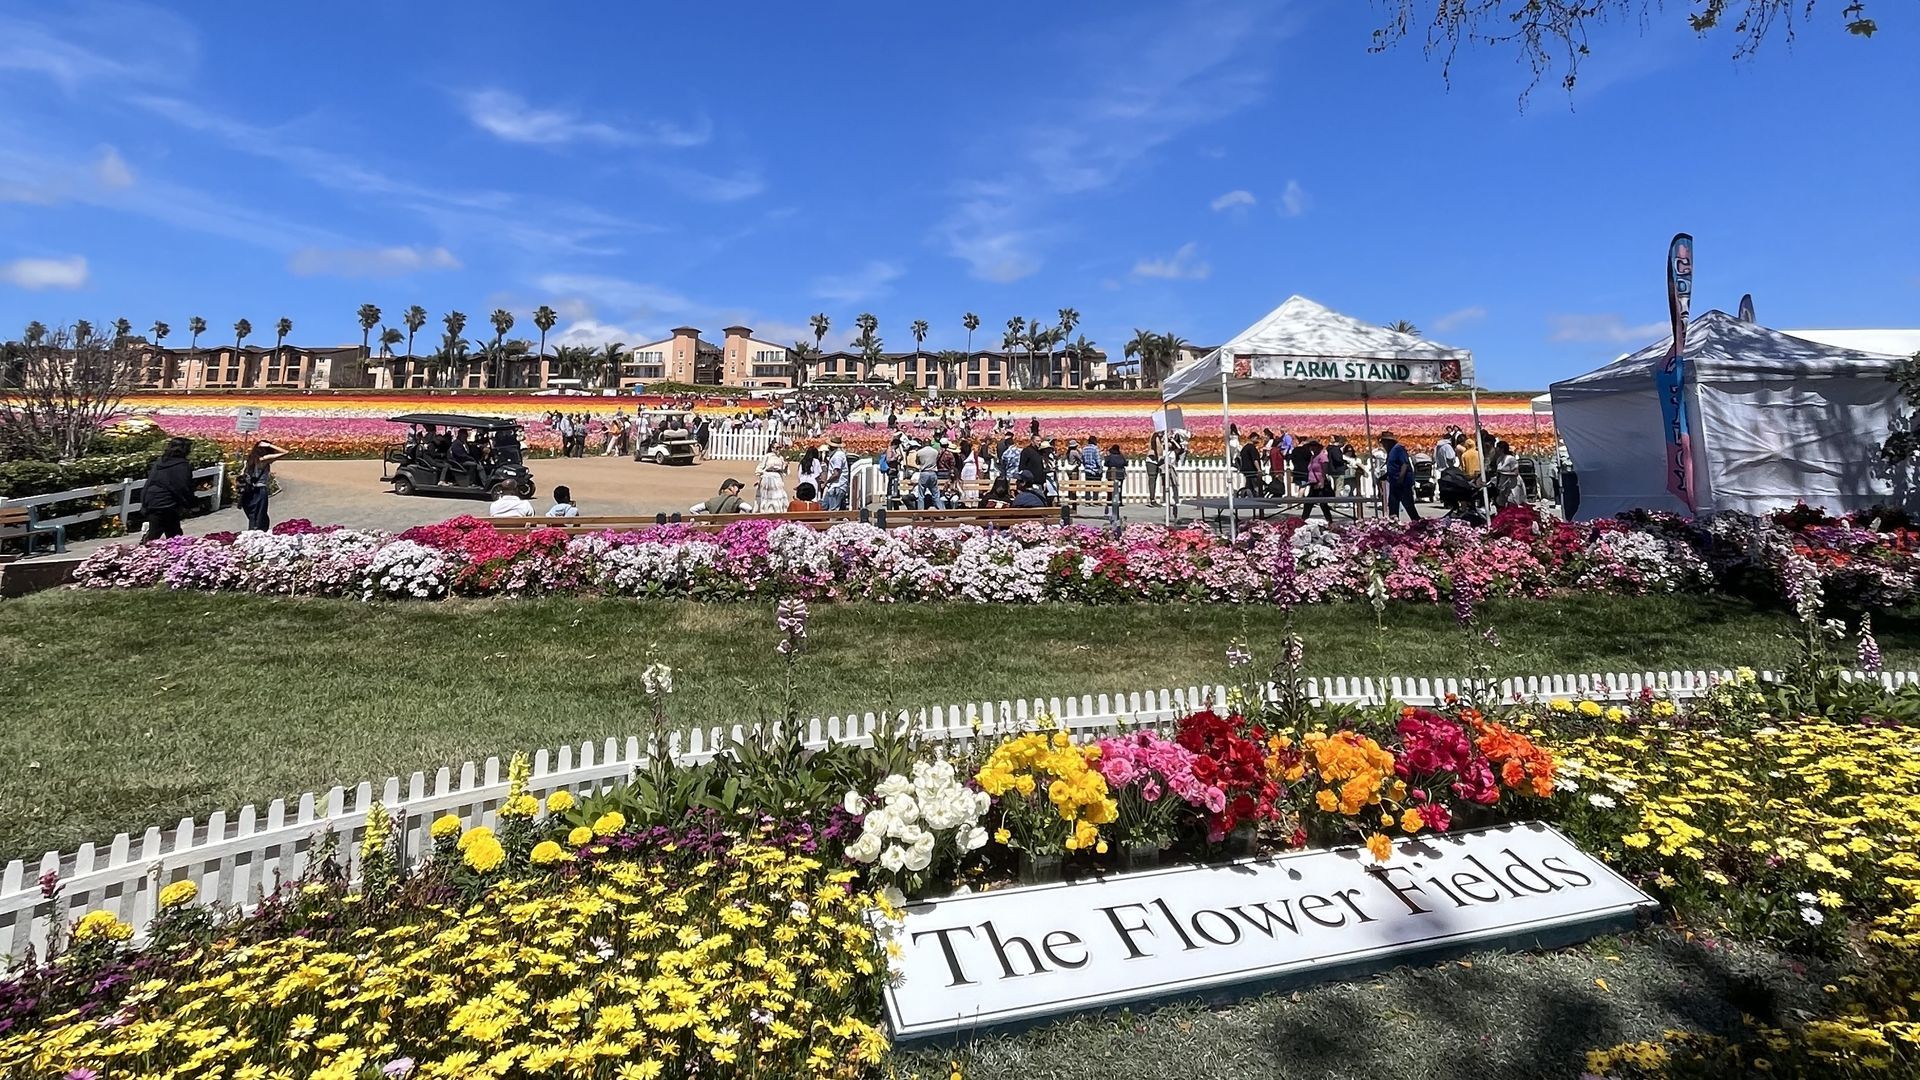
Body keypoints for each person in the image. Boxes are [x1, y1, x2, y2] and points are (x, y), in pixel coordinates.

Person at [140, 437, 196, 543]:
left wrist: (144, 503)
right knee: (168, 535)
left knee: (169, 532)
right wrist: (191, 503)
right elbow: (182, 487)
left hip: (151, 500)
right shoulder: (182, 465)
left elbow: (149, 481)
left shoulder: (160, 462)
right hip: (167, 503)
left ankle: (148, 546)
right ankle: (143, 552)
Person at [237, 439, 290, 532]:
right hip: (259, 491)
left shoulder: (248, 461)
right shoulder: (263, 459)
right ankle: (256, 537)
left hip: (247, 492)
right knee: (260, 518)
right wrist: (270, 446)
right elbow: (286, 452)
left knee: (253, 517)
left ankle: (251, 536)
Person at [1378, 431, 1419, 520]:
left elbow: (1404, 464)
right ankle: (1394, 524)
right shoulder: (1390, 452)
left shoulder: (1398, 449)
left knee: (1408, 506)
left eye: (1384, 443)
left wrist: (1400, 478)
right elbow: (1393, 467)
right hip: (1394, 483)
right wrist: (1385, 476)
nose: (1383, 445)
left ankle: (1418, 523)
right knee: (1393, 505)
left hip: (1402, 483)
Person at [1305, 440, 1335, 523]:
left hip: (1320, 482)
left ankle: (1329, 521)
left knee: (1321, 503)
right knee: (1309, 503)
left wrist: (1321, 481)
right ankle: (1303, 519)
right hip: (1313, 482)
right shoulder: (1313, 457)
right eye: (1311, 446)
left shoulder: (1322, 456)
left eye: (1314, 446)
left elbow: (1324, 470)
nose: (1312, 448)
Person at [756, 444, 790, 510]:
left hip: (777, 477)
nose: (778, 450)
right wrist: (761, 477)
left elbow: (784, 471)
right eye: (777, 448)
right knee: (767, 496)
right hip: (768, 477)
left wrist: (786, 466)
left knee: (778, 494)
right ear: (772, 448)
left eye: (780, 448)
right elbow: (761, 467)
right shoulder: (767, 456)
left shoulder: (781, 458)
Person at [1103, 442, 1128, 527]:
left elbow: (1105, 464)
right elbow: (1125, 463)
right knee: (1119, 489)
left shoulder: (1110, 457)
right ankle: (1119, 501)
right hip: (1120, 474)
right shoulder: (1121, 456)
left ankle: (1109, 501)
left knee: (1110, 488)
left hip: (1111, 474)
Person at [821, 437, 850, 511]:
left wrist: (826, 482)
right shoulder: (837, 455)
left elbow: (836, 474)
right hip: (835, 486)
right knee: (824, 506)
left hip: (836, 486)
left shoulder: (837, 456)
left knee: (832, 511)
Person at [1144, 429, 1165, 507]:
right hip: (1152, 460)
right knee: (1152, 479)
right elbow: (1156, 445)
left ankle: (1165, 498)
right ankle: (1152, 499)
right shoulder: (1154, 436)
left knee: (1164, 478)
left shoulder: (1163, 438)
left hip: (1159, 460)